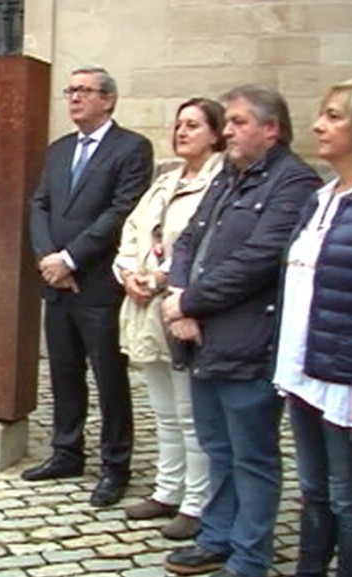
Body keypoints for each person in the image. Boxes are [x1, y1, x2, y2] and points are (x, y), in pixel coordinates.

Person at [161, 86, 320, 577]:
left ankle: (250, 556)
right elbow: (189, 239)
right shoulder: (229, 175)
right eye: (226, 122)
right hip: (201, 336)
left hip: (249, 341)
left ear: (271, 128)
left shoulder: (293, 183)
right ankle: (217, 536)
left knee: (252, 455)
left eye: (237, 122)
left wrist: (188, 300)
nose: (226, 131)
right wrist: (180, 299)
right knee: (217, 448)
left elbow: (258, 260)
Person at [272, 79, 352, 577]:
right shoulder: (321, 198)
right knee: (314, 490)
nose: (319, 125)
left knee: (349, 496)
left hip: (350, 376)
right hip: (305, 367)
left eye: (334, 115)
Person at [24, 66, 154, 508]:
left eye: (85, 91)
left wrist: (71, 258)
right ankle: (66, 451)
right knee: (63, 370)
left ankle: (115, 465)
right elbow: (39, 204)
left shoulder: (132, 148)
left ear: (108, 100)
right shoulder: (59, 150)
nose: (75, 97)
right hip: (57, 282)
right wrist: (48, 258)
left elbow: (121, 212)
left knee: (109, 376)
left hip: (97, 284)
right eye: (71, 90)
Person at [116, 98, 226, 540]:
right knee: (161, 408)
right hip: (144, 307)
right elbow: (132, 232)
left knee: (190, 413)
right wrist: (127, 273)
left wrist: (162, 277)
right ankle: (167, 489)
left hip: (183, 309)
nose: (182, 132)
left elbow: (208, 248)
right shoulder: (163, 181)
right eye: (179, 124)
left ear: (216, 134)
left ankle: (197, 502)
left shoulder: (220, 184)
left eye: (193, 125)